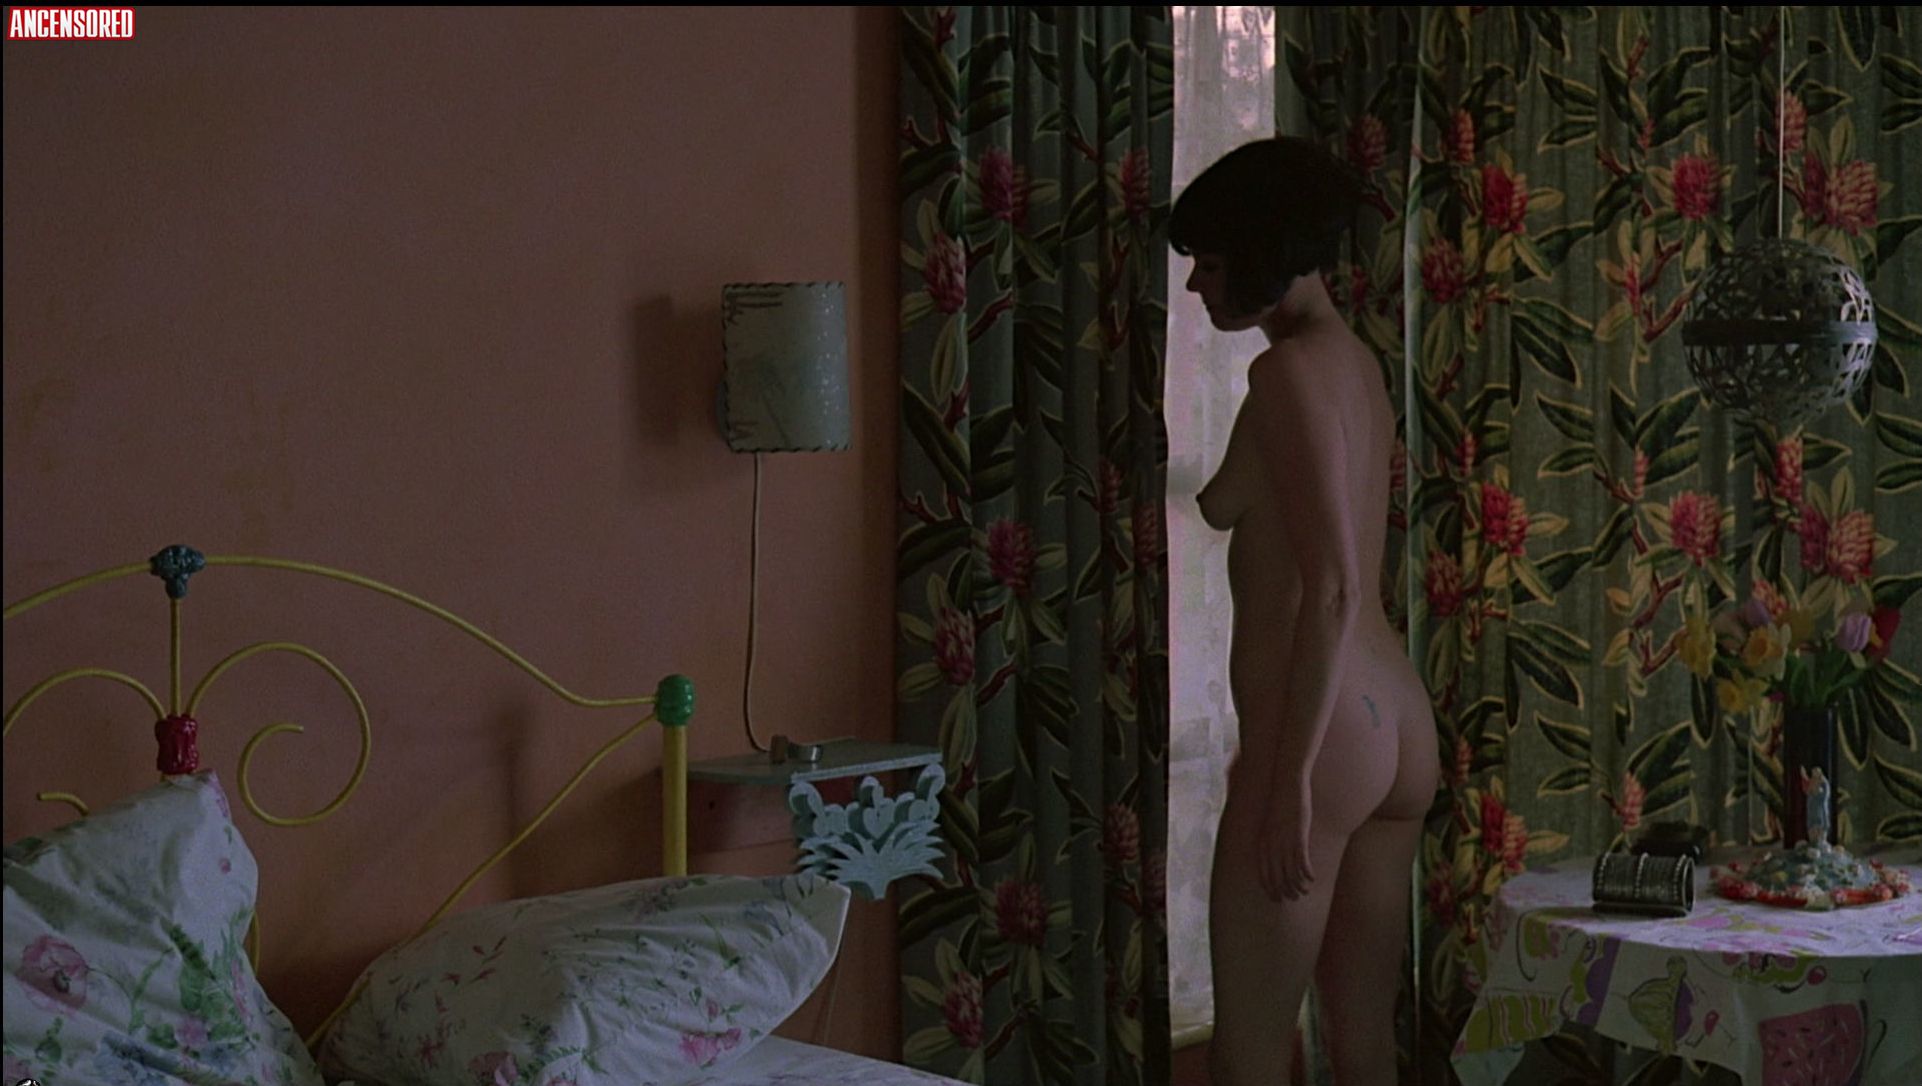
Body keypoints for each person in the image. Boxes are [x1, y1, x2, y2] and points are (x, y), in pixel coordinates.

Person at [1171, 136, 1440, 1085]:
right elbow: (1232, 501)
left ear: (1264, 251)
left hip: (1323, 733)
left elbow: (1330, 586)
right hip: (1396, 720)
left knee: (1248, 1057)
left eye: (1211, 262)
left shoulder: (1283, 376)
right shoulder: (1353, 364)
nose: (1197, 286)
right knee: (1362, 1044)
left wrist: (1286, 781)